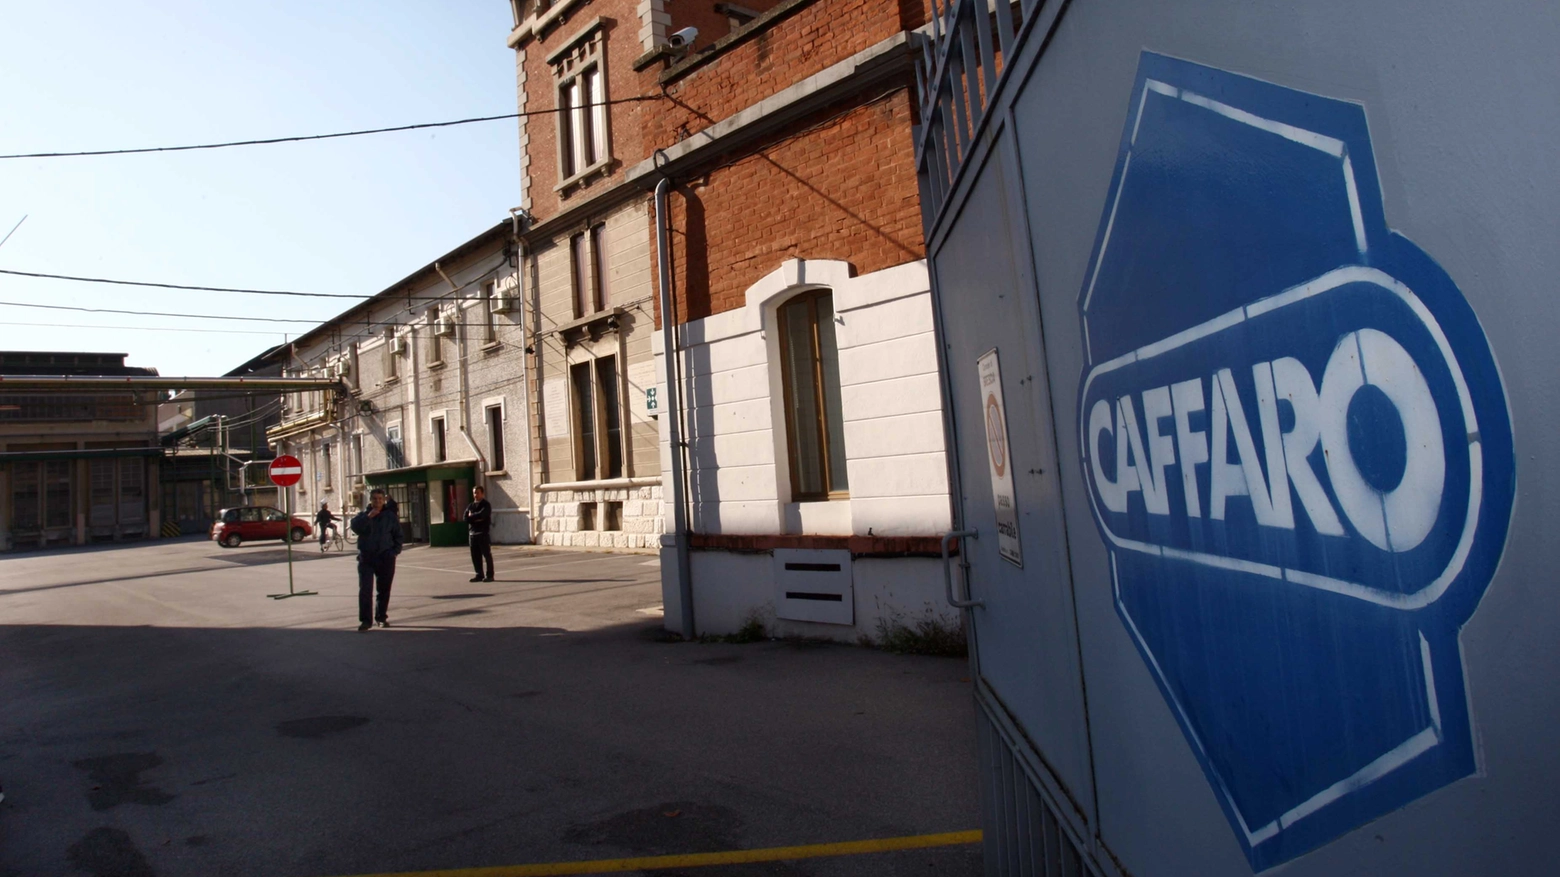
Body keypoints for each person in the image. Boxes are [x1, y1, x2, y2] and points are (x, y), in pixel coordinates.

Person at [350, 489, 402, 631]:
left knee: (384, 589)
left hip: (386, 557)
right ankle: (366, 621)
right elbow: (355, 527)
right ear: (370, 500)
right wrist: (369, 517)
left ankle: (381, 617)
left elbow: (398, 535)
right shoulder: (363, 515)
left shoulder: (390, 516)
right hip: (367, 558)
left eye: (380, 499)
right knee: (365, 590)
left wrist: (394, 552)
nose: (377, 501)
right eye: (374, 499)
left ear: (384, 500)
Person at [464, 485, 494, 583]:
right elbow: (465, 518)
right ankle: (479, 574)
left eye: (477, 492)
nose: (476, 495)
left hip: (483, 533)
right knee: (475, 556)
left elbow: (483, 515)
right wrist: (475, 518)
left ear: (482, 493)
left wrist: (472, 516)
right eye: (474, 493)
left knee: (487, 555)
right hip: (472, 534)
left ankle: (490, 575)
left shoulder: (486, 505)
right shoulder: (470, 506)